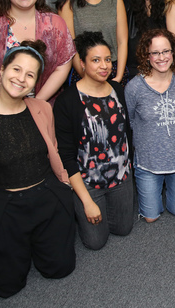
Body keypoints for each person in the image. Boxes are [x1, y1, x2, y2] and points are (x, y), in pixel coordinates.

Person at [0, 41, 75, 298]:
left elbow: (53, 150)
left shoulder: (43, 109)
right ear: (2, 70)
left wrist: (64, 185)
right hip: (4, 205)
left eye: (30, 75)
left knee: (61, 269)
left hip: (46, 197)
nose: (21, 79)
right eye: (16, 69)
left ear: (35, 83)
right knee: (5, 287)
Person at [54, 31, 134, 250]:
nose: (104, 66)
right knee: (95, 242)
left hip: (121, 175)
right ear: (82, 63)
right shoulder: (67, 101)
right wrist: (87, 203)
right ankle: (84, 206)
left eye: (108, 59)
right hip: (88, 182)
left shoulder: (118, 89)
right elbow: (67, 156)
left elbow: (127, 134)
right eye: (96, 60)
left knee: (124, 228)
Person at [125, 29, 175, 222]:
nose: (161, 57)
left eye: (166, 51)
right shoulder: (134, 88)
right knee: (150, 217)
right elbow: (130, 121)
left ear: (173, 53)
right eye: (155, 53)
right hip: (148, 161)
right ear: (147, 56)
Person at [56, 0, 129, 84]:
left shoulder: (116, 1)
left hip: (114, 71)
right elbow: (71, 48)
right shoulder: (68, 4)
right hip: (84, 73)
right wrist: (88, 79)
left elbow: (122, 41)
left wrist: (119, 76)